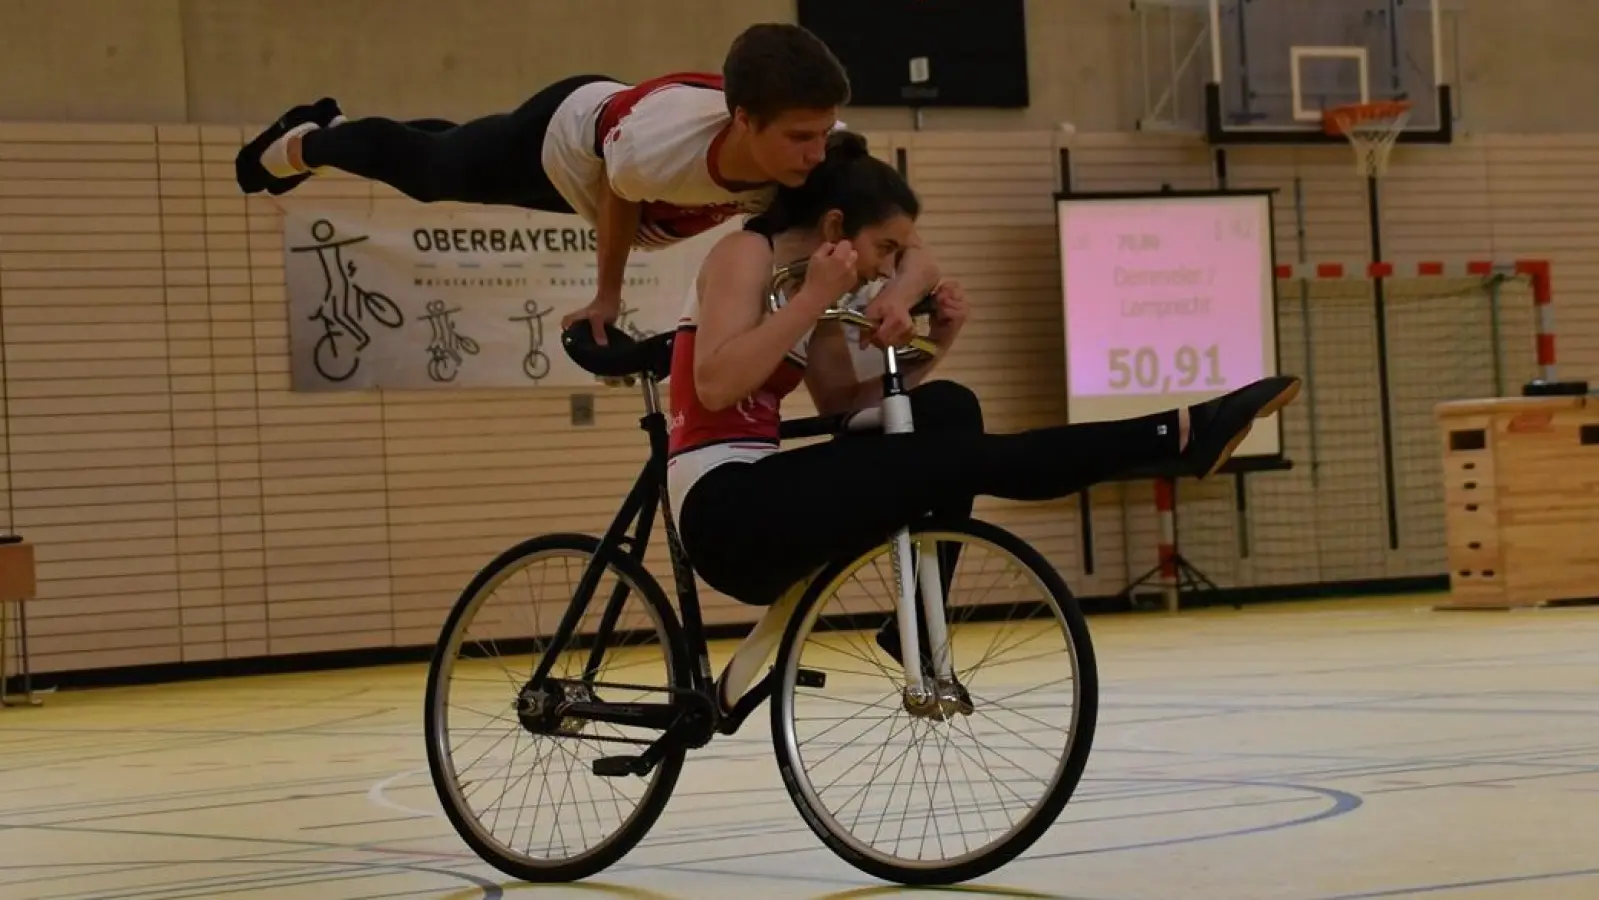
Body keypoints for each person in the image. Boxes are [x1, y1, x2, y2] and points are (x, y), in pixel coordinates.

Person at [663, 131, 1303, 623]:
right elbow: (715, 385)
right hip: (724, 510)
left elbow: (843, 404)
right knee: (958, 458)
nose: (888, 270)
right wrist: (813, 300)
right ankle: (1175, 435)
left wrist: (937, 343)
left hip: (767, 493)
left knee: (948, 407)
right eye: (884, 250)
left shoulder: (816, 289)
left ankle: (922, 611)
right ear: (836, 227)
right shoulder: (747, 254)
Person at [234, 23, 853, 343]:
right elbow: (619, 191)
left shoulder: (822, 143)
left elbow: (881, 217)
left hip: (607, 156)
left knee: (447, 147)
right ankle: (309, 138)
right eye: (800, 138)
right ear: (743, 119)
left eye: (823, 132)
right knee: (433, 174)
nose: (815, 152)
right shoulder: (657, 153)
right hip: (562, 138)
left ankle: (363, 133)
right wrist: (607, 296)